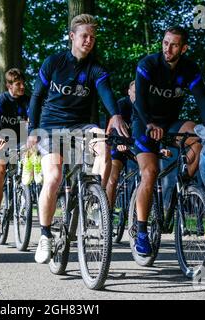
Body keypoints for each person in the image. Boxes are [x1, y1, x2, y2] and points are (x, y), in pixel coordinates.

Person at [27, 14, 129, 264]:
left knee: (104, 147)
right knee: (53, 177)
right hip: (51, 127)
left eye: (93, 37)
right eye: (84, 36)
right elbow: (37, 97)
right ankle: (45, 235)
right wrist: (31, 130)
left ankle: (94, 202)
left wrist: (115, 115)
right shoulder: (53, 62)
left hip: (82, 125)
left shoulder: (96, 68)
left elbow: (106, 92)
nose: (89, 41)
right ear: (72, 36)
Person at [132, 26, 205, 256]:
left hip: (170, 123)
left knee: (198, 137)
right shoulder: (148, 64)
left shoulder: (189, 69)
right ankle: (141, 232)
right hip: (144, 122)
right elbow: (138, 99)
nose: (168, 48)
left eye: (174, 45)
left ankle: (183, 184)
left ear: (183, 48)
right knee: (150, 173)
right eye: (166, 43)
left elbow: (202, 99)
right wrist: (149, 124)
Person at [0, 68, 30, 236]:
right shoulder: (1, 100)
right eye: (18, 84)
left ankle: (23, 196)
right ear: (9, 86)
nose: (22, 87)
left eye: (23, 83)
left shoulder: (27, 100)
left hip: (21, 141)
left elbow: (31, 120)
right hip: (0, 140)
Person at [106, 80, 135, 209]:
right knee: (113, 177)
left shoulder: (146, 106)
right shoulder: (122, 104)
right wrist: (118, 143)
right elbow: (112, 127)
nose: (137, 95)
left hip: (135, 145)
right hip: (118, 143)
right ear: (129, 92)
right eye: (134, 92)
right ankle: (108, 213)